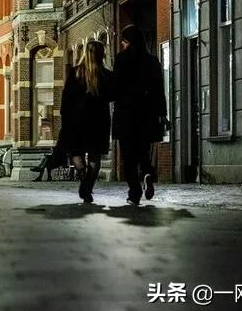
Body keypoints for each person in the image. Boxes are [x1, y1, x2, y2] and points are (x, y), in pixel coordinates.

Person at [112, 25, 169, 205]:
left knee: (129, 157)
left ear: (129, 41)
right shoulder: (152, 61)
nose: (122, 43)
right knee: (143, 151)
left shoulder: (121, 60)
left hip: (126, 114)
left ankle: (134, 193)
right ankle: (147, 174)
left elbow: (116, 87)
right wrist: (162, 114)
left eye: (124, 40)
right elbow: (160, 90)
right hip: (147, 114)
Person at [57, 40, 113, 203]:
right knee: (95, 157)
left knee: (75, 152)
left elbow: (66, 99)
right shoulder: (106, 75)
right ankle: (87, 186)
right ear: (102, 54)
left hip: (77, 121)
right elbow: (113, 95)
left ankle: (82, 174)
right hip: (99, 122)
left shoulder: (75, 73)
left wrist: (65, 118)